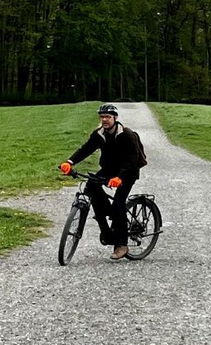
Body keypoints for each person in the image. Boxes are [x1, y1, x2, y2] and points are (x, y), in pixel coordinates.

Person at [60, 105, 147, 261]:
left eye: (108, 117)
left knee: (119, 204)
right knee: (91, 185)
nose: (104, 120)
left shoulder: (127, 135)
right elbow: (86, 149)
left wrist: (120, 177)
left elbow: (132, 160)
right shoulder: (99, 134)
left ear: (115, 118)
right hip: (109, 169)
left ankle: (121, 244)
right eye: (102, 117)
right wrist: (70, 162)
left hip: (128, 171)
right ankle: (107, 222)